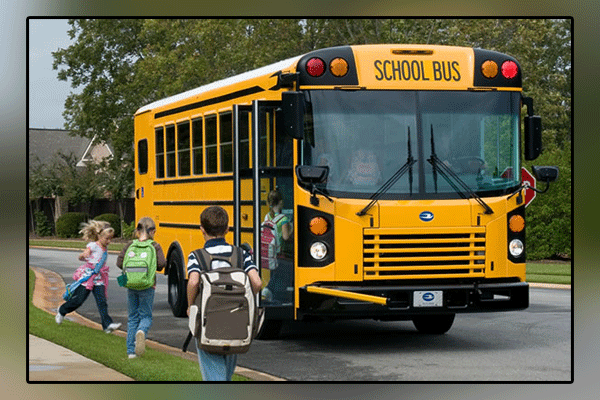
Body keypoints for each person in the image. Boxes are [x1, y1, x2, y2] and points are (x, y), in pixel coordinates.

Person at [186, 206, 262, 381]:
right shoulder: (241, 255)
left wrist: (190, 306)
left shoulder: (197, 256)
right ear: (227, 229)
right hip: (237, 321)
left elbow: (194, 281)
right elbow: (257, 282)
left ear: (202, 230)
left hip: (208, 322)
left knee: (214, 374)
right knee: (226, 373)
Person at [55, 220, 121, 334]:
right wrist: (83, 255)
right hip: (88, 278)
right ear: (99, 236)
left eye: (111, 238)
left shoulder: (104, 248)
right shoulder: (93, 246)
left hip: (99, 278)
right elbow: (83, 255)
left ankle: (107, 325)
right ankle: (62, 310)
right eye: (107, 238)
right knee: (79, 300)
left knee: (102, 302)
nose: (109, 241)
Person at [116, 217, 166, 359]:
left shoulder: (129, 245)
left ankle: (131, 352)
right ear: (153, 231)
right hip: (148, 285)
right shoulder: (155, 246)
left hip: (131, 285)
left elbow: (119, 263)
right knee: (145, 316)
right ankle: (142, 331)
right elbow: (162, 264)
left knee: (132, 317)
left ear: (137, 231)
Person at [261, 189, 293, 304]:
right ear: (280, 202)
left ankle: (267, 290)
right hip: (281, 253)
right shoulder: (283, 219)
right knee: (285, 273)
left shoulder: (267, 217)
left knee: (276, 273)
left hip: (270, 252)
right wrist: (292, 229)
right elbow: (285, 237)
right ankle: (276, 298)